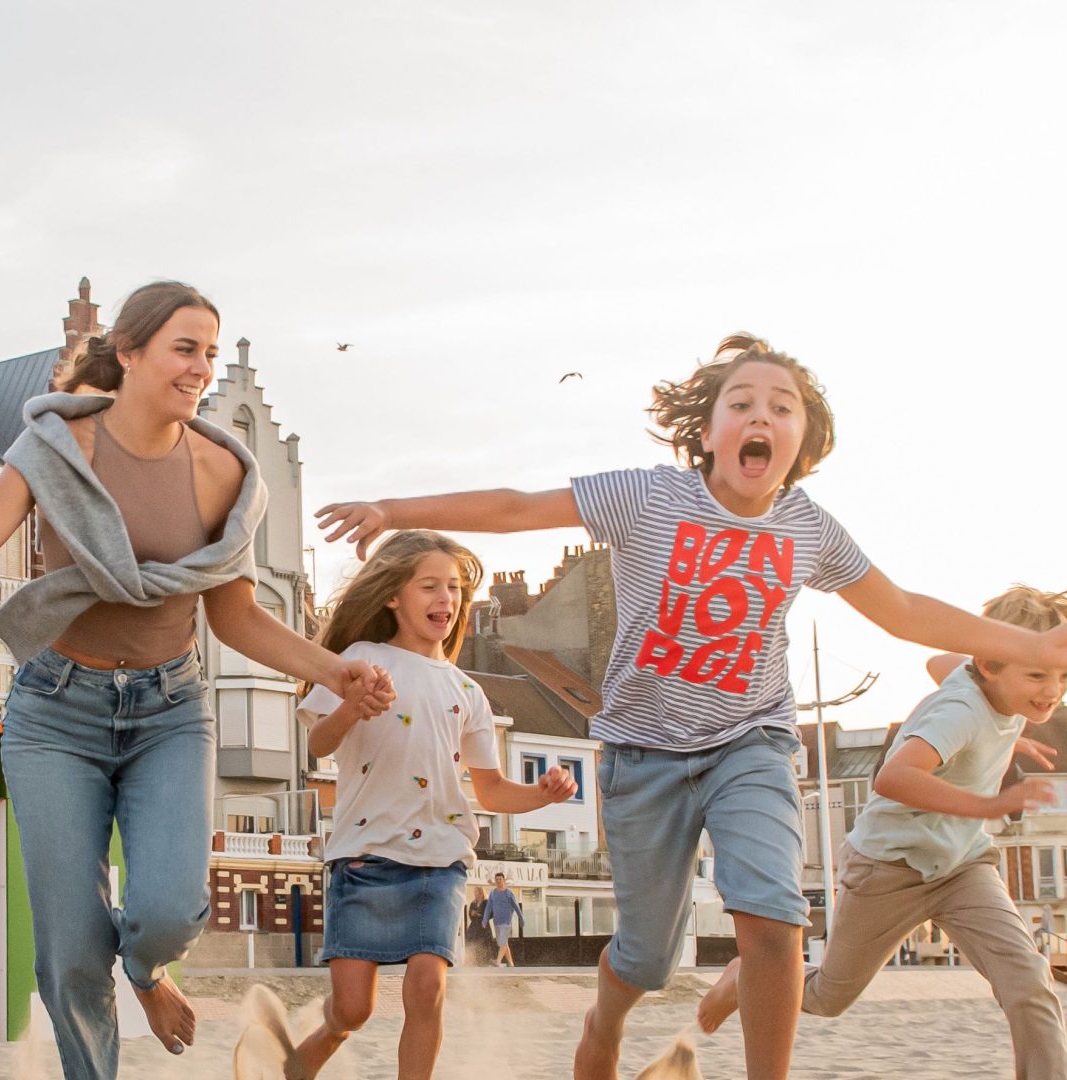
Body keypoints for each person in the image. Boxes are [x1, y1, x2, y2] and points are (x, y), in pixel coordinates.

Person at [315, 334, 1067, 1080]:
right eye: (740, 403)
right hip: (644, 754)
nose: (761, 417)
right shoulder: (648, 497)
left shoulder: (808, 527)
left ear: (804, 441)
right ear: (707, 433)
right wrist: (391, 508)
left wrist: (1032, 649)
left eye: (783, 407)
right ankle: (603, 1022)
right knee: (644, 959)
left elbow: (903, 610)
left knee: (773, 918)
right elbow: (517, 507)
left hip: (753, 741)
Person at [0, 281, 392, 1080]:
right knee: (71, 951)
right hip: (54, 711)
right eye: (186, 348)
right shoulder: (56, 447)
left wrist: (336, 669)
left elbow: (237, 616)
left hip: (168, 711)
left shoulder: (221, 471)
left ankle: (147, 971)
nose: (201, 369)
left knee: (170, 910)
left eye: (211, 353)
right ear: (130, 352)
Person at [699, 586, 1067, 1079]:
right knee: (827, 997)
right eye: (1038, 675)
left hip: (961, 867)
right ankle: (746, 976)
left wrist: (1008, 728)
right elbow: (892, 777)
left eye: (1061, 675)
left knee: (1029, 981)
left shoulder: (980, 683)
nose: (1052, 690)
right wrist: (991, 801)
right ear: (991, 664)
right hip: (887, 871)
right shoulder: (958, 714)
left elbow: (941, 662)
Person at [285, 530, 576, 1079]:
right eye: (430, 586)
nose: (446, 598)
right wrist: (352, 706)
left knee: (427, 989)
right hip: (362, 857)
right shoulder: (362, 658)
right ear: (393, 595)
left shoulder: (468, 691)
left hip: (440, 862)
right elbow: (319, 743)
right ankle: (317, 1043)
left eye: (455, 588)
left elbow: (490, 791)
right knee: (354, 1008)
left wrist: (539, 794)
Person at [484, 872, 525, 967]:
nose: (498, 881)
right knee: (503, 943)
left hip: (506, 922)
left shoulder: (508, 893)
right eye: (497, 879)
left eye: (500, 879)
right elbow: (488, 907)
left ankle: (498, 961)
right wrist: (485, 919)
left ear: (504, 880)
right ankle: (511, 963)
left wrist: (521, 918)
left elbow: (516, 906)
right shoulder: (493, 893)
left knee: (502, 942)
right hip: (496, 922)